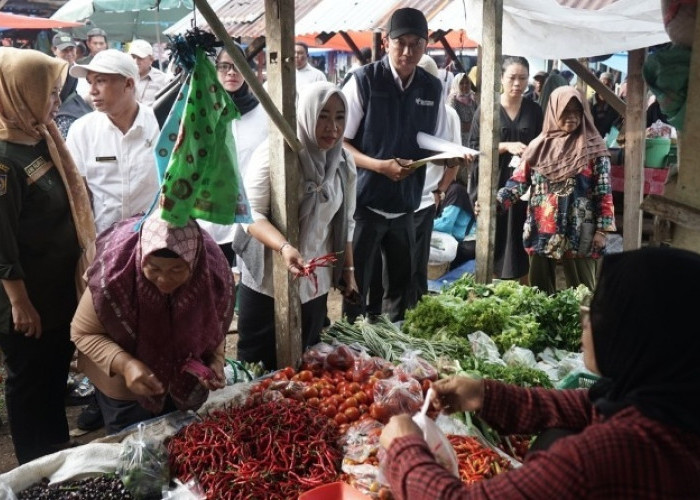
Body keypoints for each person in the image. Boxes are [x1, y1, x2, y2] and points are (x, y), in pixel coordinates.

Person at [380, 246, 700, 499]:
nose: (585, 322)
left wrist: (404, 449)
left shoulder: (607, 455)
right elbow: (582, 407)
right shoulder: (674, 406)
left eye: (600, 311)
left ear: (635, 335)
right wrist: (484, 395)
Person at [0, 48, 95, 464]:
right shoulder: (4, 158)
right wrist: (20, 303)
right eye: (51, 93)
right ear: (19, 93)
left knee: (52, 379)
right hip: (28, 302)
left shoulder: (38, 134)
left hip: (55, 292)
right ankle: (36, 466)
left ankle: (56, 454)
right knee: (30, 384)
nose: (58, 102)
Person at [70, 211, 233, 434]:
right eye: (154, 269)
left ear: (194, 263)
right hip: (121, 352)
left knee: (179, 434)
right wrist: (126, 365)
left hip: (180, 361)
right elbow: (84, 333)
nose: (164, 280)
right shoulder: (113, 278)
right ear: (141, 258)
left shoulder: (213, 273)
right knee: (130, 433)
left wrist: (216, 358)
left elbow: (215, 323)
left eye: (177, 270)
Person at [341, 7, 456, 322]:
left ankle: (392, 352)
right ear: (385, 44)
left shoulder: (432, 88)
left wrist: (455, 154)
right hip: (364, 205)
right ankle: (350, 349)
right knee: (356, 287)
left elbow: (436, 141)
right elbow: (341, 145)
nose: (407, 51)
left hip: (407, 205)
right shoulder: (364, 81)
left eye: (416, 44)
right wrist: (379, 166)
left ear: (426, 44)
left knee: (401, 287)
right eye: (400, 43)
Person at [233, 82, 358, 370]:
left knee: (305, 360)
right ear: (306, 113)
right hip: (268, 281)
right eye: (323, 116)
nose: (332, 127)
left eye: (340, 117)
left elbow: (346, 221)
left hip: (315, 281)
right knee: (256, 365)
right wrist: (284, 246)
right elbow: (249, 214)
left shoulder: (343, 163)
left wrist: (348, 272)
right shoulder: (274, 154)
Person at [496, 86, 615, 294]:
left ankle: (582, 327)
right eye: (565, 112)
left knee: (583, 293)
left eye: (577, 112)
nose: (572, 117)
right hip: (542, 229)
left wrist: (602, 231)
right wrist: (497, 202)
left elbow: (604, 191)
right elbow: (518, 182)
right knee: (539, 294)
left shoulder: (594, 149)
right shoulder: (537, 147)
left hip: (580, 230)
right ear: (553, 111)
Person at [66, 49, 161, 235]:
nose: (92, 90)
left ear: (128, 84)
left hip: (153, 240)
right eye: (90, 82)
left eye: (100, 81)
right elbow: (80, 193)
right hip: (104, 241)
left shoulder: (160, 125)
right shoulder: (82, 130)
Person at [468, 56, 543, 283]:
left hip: (525, 188)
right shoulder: (487, 109)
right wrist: (503, 146)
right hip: (494, 182)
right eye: (512, 78)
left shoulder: (534, 110)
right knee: (494, 236)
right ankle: (490, 287)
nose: (517, 84)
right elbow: (473, 148)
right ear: (501, 78)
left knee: (523, 236)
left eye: (523, 78)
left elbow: (544, 144)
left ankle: (523, 288)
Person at [198, 42, 269, 269]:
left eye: (238, 66)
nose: (231, 72)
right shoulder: (202, 113)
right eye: (224, 67)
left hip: (250, 218)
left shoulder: (263, 115)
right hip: (208, 218)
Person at [128, 39, 170, 106]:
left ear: (151, 59)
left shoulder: (163, 79)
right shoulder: (124, 78)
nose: (136, 62)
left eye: (140, 58)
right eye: (133, 57)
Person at [447, 72, 477, 146]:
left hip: (472, 136)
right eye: (461, 83)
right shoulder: (453, 99)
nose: (465, 85)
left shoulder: (473, 97)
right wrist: (465, 126)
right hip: (457, 137)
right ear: (456, 84)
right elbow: (451, 119)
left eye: (467, 83)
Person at [589, 71, 621, 138]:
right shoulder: (589, 102)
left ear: (612, 88)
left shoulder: (615, 105)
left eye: (608, 85)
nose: (604, 87)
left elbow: (617, 124)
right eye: (602, 84)